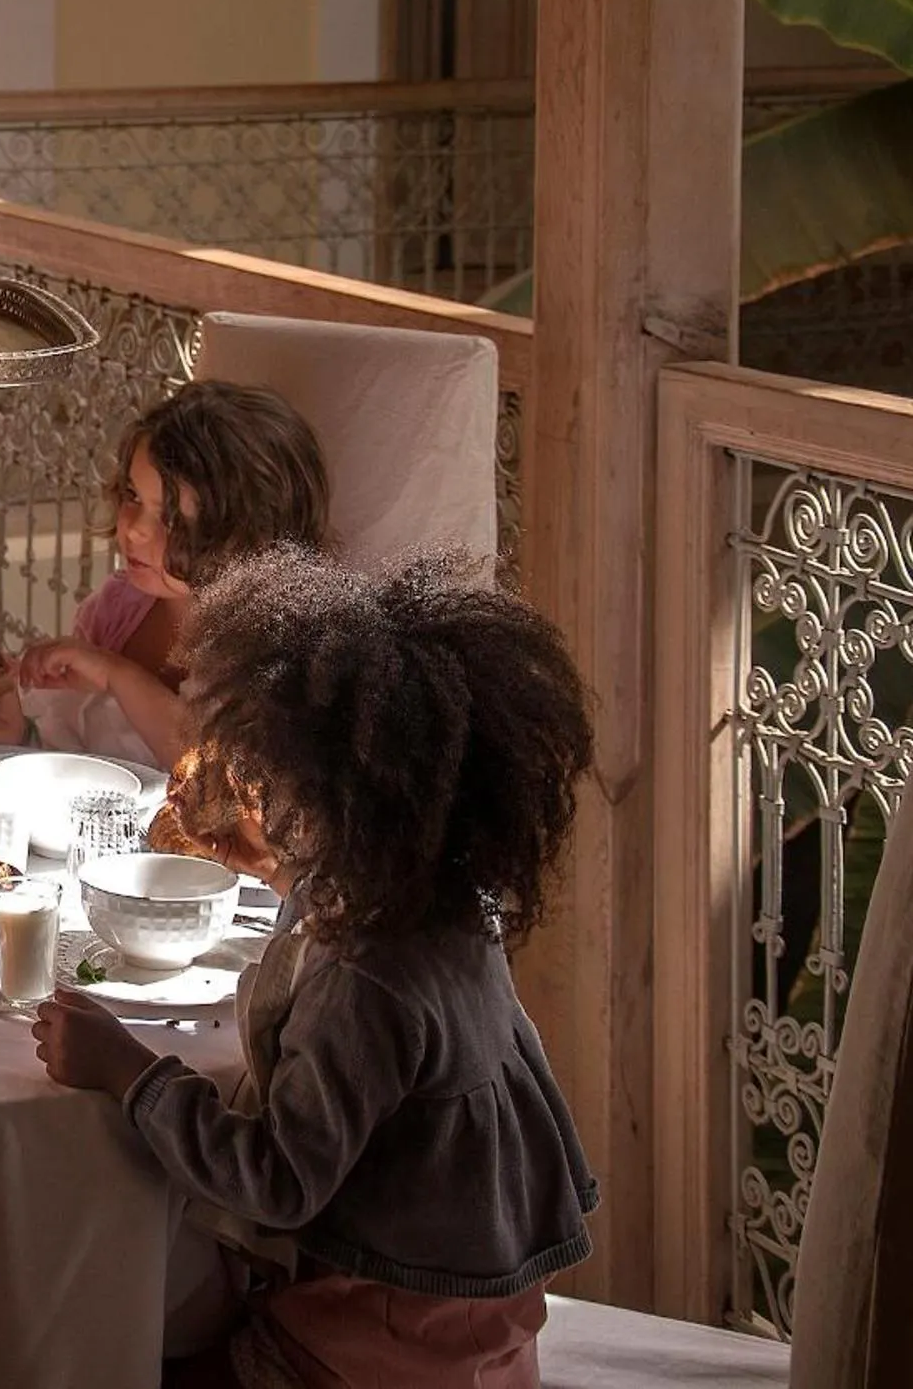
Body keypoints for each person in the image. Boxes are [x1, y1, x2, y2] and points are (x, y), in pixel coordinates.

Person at [32, 547, 599, 1389]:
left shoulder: (364, 978)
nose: (251, 794)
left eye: (267, 779)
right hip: (485, 1294)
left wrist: (130, 1070)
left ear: (336, 798)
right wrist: (280, 870)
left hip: (393, 1327)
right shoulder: (441, 898)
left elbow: (277, 1179)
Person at [0, 382, 329, 771]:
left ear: (246, 533)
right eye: (133, 496)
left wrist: (117, 675)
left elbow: (217, 779)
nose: (133, 530)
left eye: (171, 516)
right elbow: (88, 756)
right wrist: (19, 736)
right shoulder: (116, 611)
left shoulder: (275, 654)